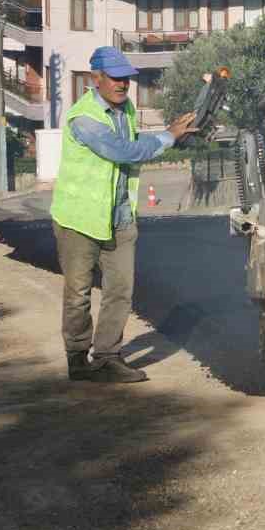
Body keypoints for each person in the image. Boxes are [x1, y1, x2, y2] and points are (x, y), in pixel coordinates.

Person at [52, 46, 198, 383]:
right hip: (79, 219)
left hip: (118, 218)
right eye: (116, 78)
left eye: (127, 80)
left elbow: (134, 142)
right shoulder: (84, 118)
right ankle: (77, 358)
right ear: (96, 78)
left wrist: (174, 134)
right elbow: (124, 151)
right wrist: (168, 137)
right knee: (78, 293)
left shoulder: (126, 109)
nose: (123, 85)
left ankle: (107, 357)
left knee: (120, 290)